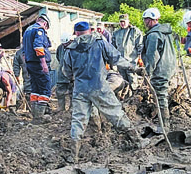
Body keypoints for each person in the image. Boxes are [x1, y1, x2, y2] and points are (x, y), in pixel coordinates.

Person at [63, 21, 143, 162]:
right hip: (99, 86)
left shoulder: (70, 49)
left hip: (80, 89)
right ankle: (138, 141)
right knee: (116, 113)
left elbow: (66, 71)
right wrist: (133, 68)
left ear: (76, 33)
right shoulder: (99, 42)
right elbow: (116, 58)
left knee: (78, 120)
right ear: (89, 30)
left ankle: (74, 155)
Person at [141, 8, 177, 129]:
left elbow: (152, 56)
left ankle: (165, 124)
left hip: (161, 67)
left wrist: (147, 72)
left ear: (150, 20)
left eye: (146, 19)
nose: (145, 22)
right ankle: (161, 118)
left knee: (160, 94)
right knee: (162, 93)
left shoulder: (153, 35)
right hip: (170, 65)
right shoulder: (165, 31)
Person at [22, 14, 52, 118]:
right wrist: (43, 63)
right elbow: (38, 46)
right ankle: (39, 117)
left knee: (35, 89)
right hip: (38, 63)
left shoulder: (27, 31)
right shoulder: (39, 30)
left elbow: (24, 50)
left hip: (30, 63)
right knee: (45, 88)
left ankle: (35, 114)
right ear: (45, 23)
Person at [112, 14, 144, 89]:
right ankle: (125, 97)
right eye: (121, 22)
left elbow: (140, 45)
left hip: (131, 61)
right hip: (120, 61)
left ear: (128, 21)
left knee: (132, 80)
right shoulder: (116, 33)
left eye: (124, 21)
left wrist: (140, 57)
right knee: (123, 81)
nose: (122, 23)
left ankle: (134, 96)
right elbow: (113, 47)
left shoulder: (135, 31)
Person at [56, 33, 74, 111]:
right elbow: (58, 57)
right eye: (63, 44)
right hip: (62, 74)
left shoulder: (74, 47)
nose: (65, 45)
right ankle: (61, 108)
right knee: (60, 92)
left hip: (72, 73)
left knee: (73, 92)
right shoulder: (60, 48)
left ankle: (72, 108)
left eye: (66, 44)